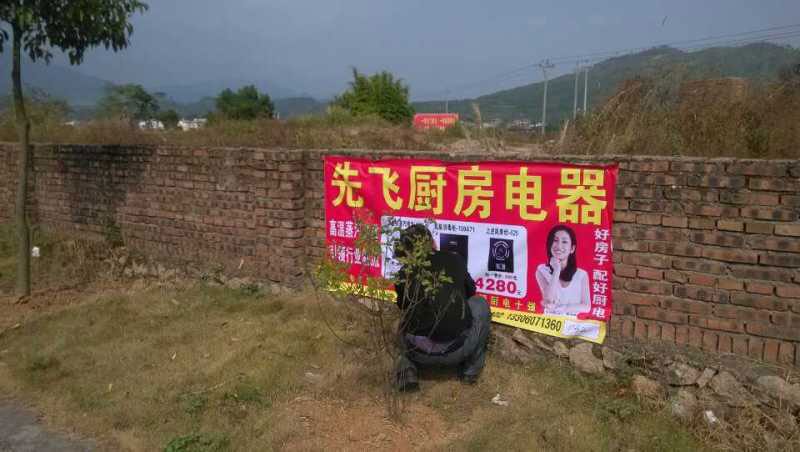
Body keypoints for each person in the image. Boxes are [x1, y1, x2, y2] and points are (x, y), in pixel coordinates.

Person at [392, 224, 491, 391]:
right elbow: (471, 292)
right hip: (457, 349)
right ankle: (470, 372)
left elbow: (403, 306)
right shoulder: (454, 259)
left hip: (418, 352)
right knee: (479, 304)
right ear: (432, 242)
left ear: (407, 251)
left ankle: (407, 370)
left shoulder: (403, 273)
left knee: (402, 321)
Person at [535, 225, 590, 316]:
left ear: (572, 248)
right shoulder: (542, 270)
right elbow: (549, 299)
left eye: (564, 242)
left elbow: (587, 307)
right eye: (555, 240)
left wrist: (560, 308)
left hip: (572, 322)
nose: (559, 246)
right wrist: (557, 270)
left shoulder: (581, 275)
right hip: (549, 321)